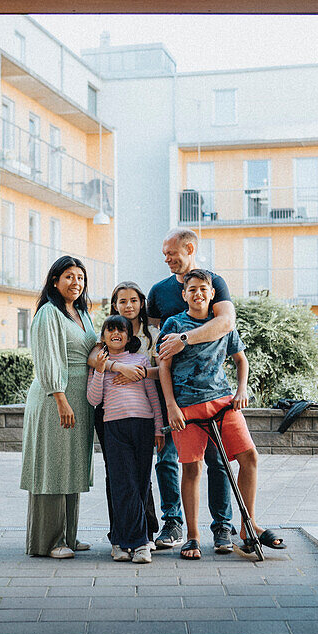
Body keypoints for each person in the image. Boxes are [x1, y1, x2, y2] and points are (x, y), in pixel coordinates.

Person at [158, 269, 286, 560]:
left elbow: (241, 360)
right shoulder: (173, 323)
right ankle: (192, 536)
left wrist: (242, 390)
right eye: (192, 289)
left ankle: (248, 526)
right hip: (186, 408)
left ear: (212, 293)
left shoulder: (222, 324)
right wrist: (171, 406)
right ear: (184, 294)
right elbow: (163, 366)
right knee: (192, 468)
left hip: (223, 403)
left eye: (203, 289)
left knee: (249, 457)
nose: (198, 294)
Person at [146, 228, 237, 554]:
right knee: (168, 457)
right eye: (165, 256)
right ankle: (173, 522)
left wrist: (184, 340)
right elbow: (152, 340)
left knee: (217, 460)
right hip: (170, 391)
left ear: (190, 248)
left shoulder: (215, 282)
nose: (168, 260)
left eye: (172, 254)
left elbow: (226, 324)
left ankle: (223, 528)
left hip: (208, 392)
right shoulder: (157, 292)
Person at [20, 256, 98, 558]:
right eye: (69, 276)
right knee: (53, 465)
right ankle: (49, 541)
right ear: (55, 281)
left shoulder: (80, 313)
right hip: (57, 399)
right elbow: (48, 359)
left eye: (80, 277)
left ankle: (68, 534)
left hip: (79, 398)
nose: (75, 282)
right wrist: (60, 398)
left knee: (71, 465)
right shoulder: (49, 313)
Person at [89, 282, 162, 560]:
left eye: (133, 300)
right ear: (114, 305)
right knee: (120, 480)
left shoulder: (150, 338)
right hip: (113, 420)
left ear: (141, 303)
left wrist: (140, 371)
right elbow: (95, 364)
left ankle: (144, 536)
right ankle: (120, 538)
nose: (128, 305)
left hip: (142, 419)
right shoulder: (104, 342)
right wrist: (115, 366)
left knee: (141, 480)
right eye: (122, 301)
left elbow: (160, 375)